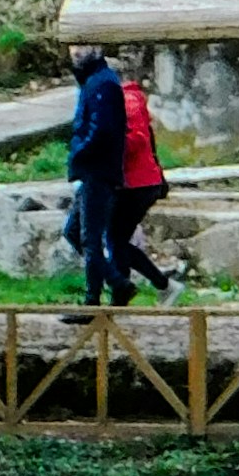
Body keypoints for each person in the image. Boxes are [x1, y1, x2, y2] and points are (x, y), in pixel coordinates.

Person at [65, 47, 128, 305]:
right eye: (73, 45)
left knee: (89, 239)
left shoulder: (103, 82)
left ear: (98, 48)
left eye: (83, 44)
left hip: (98, 170)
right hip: (92, 169)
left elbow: (102, 129)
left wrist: (80, 152)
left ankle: (93, 299)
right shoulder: (92, 80)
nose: (76, 51)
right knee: (74, 231)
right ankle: (117, 282)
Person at [115, 66, 176, 296]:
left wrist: (105, 151)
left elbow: (136, 140)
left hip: (136, 184)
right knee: (117, 239)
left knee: (116, 240)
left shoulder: (126, 100)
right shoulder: (131, 98)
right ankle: (158, 285)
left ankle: (156, 286)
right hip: (139, 183)